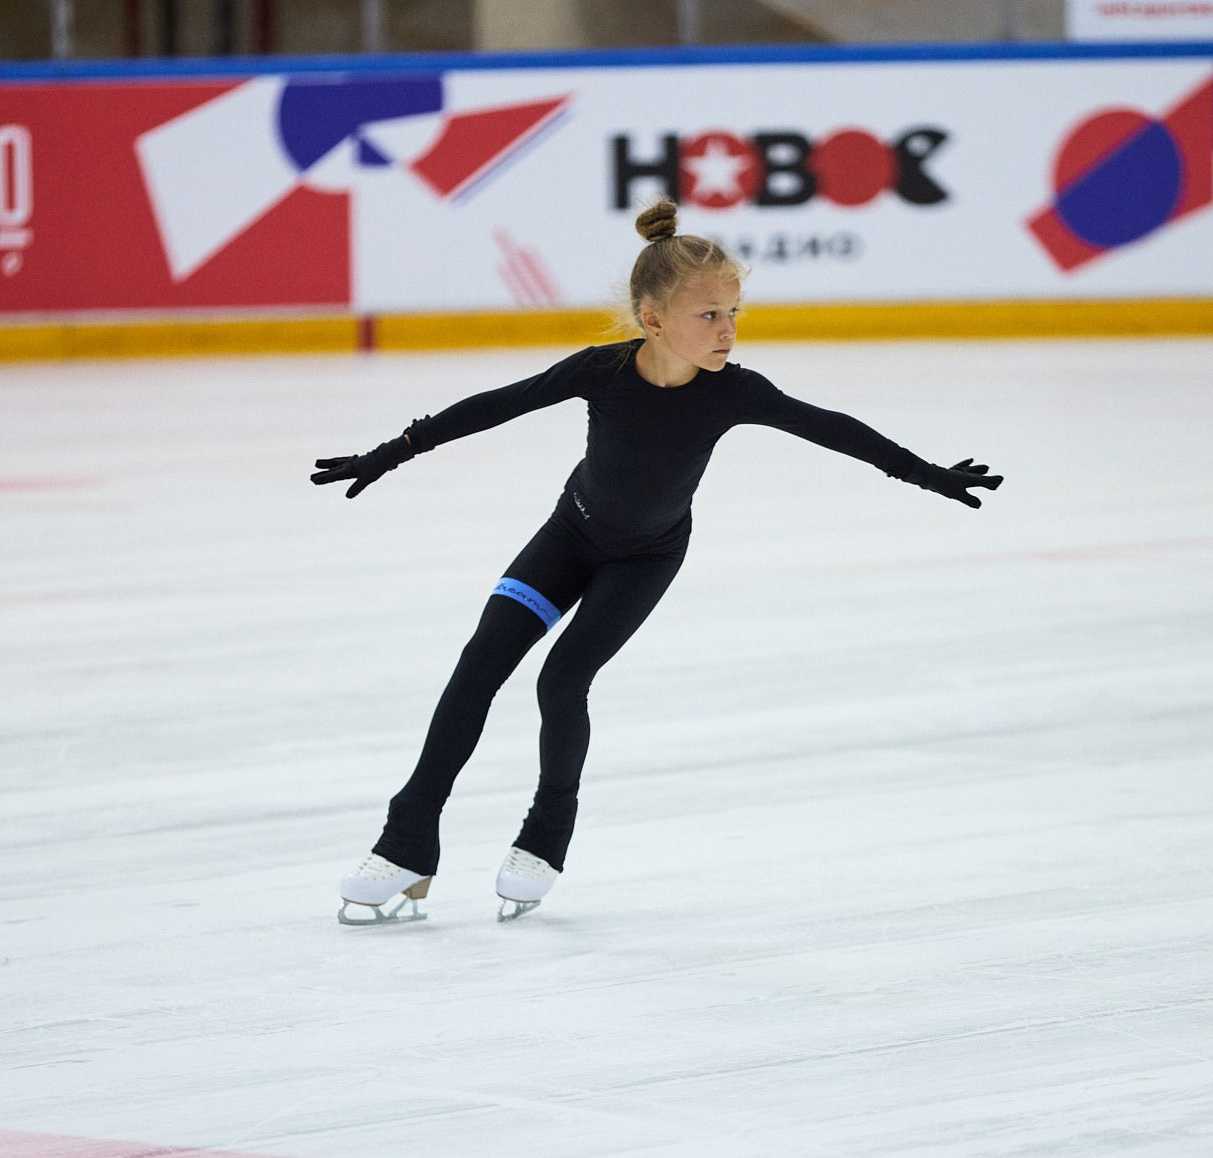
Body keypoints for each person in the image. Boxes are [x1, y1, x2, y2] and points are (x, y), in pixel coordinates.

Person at [312, 199, 1000, 925]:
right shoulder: (601, 372)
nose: (728, 331)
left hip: (643, 560)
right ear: (653, 319)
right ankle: (408, 840)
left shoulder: (735, 392)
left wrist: (928, 473)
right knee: (477, 667)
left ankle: (544, 839)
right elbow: (494, 406)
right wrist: (391, 453)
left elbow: (835, 430)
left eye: (735, 312)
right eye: (709, 315)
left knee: (563, 678)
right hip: (567, 538)